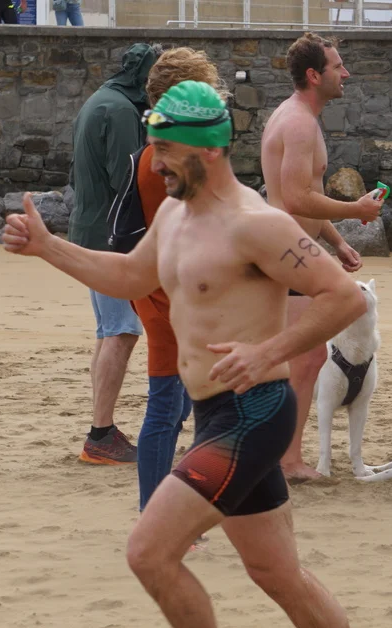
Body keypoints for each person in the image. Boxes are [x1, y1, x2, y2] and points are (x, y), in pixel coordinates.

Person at [2, 79, 392, 628]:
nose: (154, 161)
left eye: (165, 149)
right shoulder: (173, 215)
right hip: (217, 413)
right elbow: (130, 275)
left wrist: (269, 352)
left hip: (254, 412)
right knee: (276, 572)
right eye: (152, 147)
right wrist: (49, 248)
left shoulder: (257, 225)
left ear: (208, 150)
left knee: (148, 552)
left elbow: (345, 297)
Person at [261, 33, 381, 483]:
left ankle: (281, 455)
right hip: (287, 252)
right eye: (337, 66)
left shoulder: (299, 116)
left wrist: (336, 240)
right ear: (314, 75)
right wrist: (356, 209)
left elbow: (300, 194)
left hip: (295, 249)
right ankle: (287, 461)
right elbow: (295, 197)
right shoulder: (298, 123)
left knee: (302, 356)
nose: (345, 73)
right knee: (306, 357)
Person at [130, 47, 226, 512]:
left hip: (175, 300)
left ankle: (164, 510)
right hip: (167, 302)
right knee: (166, 409)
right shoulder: (163, 160)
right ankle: (155, 514)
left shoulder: (165, 154)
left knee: (177, 407)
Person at [69, 43, 161, 466]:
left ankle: (101, 429)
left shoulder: (99, 100)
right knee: (121, 331)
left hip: (89, 229)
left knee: (109, 331)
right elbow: (129, 180)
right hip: (110, 237)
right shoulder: (122, 111)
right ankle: (100, 435)